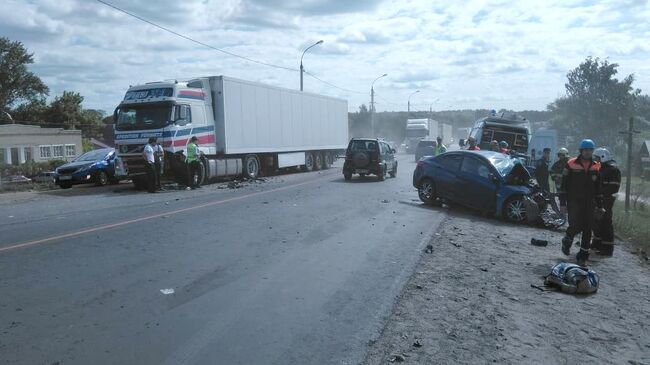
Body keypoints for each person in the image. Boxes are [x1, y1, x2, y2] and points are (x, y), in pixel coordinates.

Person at [559, 139, 604, 266]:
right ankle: (566, 242)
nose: (588, 152)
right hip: (574, 202)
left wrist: (600, 206)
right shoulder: (571, 164)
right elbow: (563, 186)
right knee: (574, 226)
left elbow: (598, 189)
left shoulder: (596, 166)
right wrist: (562, 204)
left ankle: (582, 257)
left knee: (588, 229)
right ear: (581, 151)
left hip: (590, 204)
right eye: (585, 150)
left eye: (590, 150)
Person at [592, 148, 621, 256]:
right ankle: (597, 244)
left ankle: (607, 249)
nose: (595, 160)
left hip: (607, 199)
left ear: (603, 157)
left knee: (605, 222)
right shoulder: (602, 168)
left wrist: (600, 193)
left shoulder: (612, 169)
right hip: (599, 198)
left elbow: (613, 187)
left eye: (597, 158)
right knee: (596, 222)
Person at [550, 147, 570, 214]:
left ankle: (569, 215)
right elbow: (551, 171)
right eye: (559, 155)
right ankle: (563, 216)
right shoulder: (557, 164)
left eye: (561, 155)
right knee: (562, 201)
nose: (559, 156)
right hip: (560, 187)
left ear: (565, 155)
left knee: (570, 201)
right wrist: (554, 177)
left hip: (569, 187)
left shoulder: (570, 163)